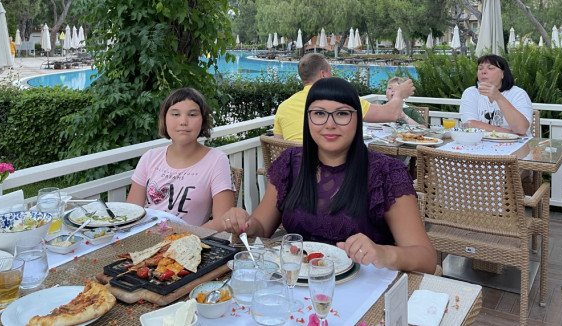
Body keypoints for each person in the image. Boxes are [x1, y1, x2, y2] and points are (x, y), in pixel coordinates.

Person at [222, 77, 436, 274]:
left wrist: (382, 253)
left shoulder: (386, 173)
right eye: (319, 114)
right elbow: (261, 228)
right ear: (308, 119)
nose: (330, 124)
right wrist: (245, 223)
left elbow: (426, 259)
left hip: (365, 289)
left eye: (342, 114)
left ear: (358, 119)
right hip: (297, 284)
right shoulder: (290, 163)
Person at [126, 88, 235, 229]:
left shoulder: (217, 160)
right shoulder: (150, 157)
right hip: (144, 237)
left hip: (191, 240)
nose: (183, 121)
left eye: (192, 115)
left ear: (203, 120)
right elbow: (131, 213)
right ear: (164, 119)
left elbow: (223, 221)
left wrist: (184, 238)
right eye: (175, 114)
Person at [273, 54, 415, 141]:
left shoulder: (284, 107)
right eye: (331, 72)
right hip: (333, 174)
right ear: (323, 74)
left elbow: (278, 146)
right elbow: (391, 114)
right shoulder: (341, 97)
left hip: (295, 176)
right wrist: (399, 94)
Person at [460, 54, 532, 135]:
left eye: (490, 68)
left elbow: (521, 129)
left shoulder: (518, 94)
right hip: (480, 141)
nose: (483, 72)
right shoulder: (471, 93)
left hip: (515, 142)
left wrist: (498, 97)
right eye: (480, 68)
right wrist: (510, 133)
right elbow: (470, 124)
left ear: (503, 74)